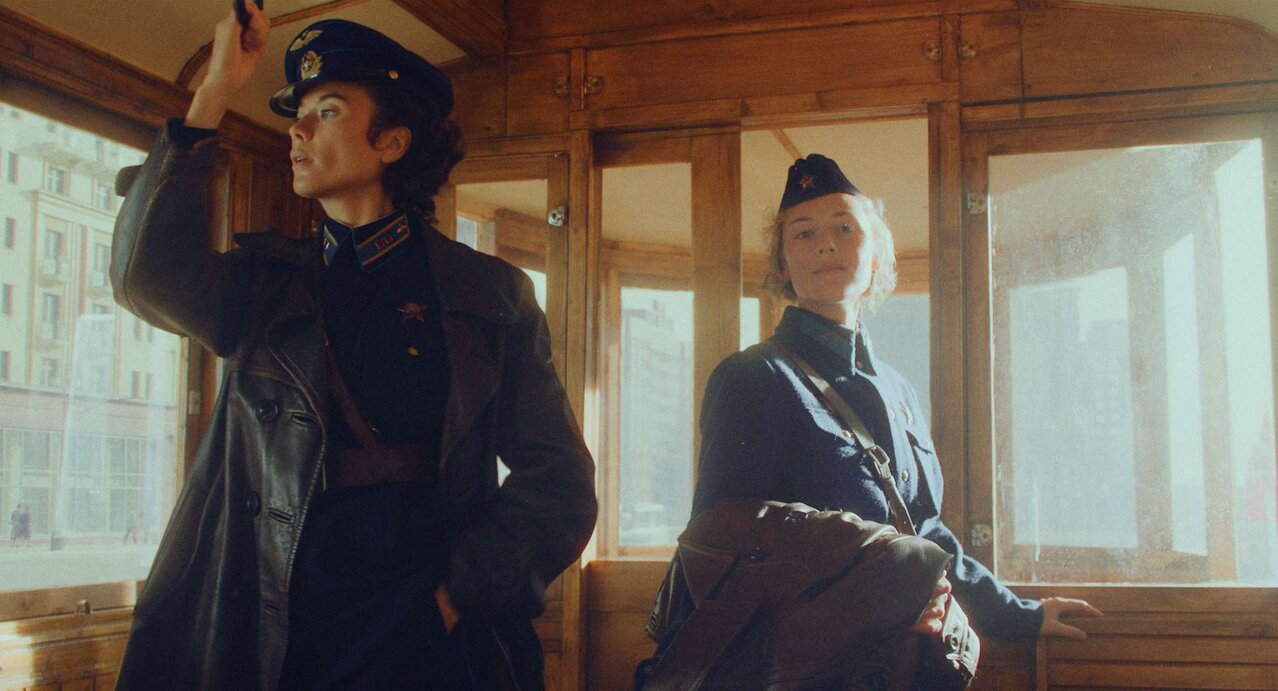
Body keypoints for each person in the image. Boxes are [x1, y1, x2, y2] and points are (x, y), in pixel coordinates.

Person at [110, 4, 596, 689]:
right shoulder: (264, 287)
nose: (298, 129)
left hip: (427, 623)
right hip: (284, 619)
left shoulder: (489, 293)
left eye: (328, 110)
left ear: (391, 143)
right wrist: (214, 91)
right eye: (298, 113)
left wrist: (454, 597)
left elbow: (561, 482)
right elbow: (144, 275)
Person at [644, 155, 1100, 673]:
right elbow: (718, 544)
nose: (826, 244)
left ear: (878, 256)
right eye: (803, 234)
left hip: (895, 669)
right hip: (793, 673)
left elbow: (925, 530)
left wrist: (1020, 615)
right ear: (783, 267)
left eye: (844, 228)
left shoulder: (897, 390)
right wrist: (883, 597)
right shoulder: (755, 375)